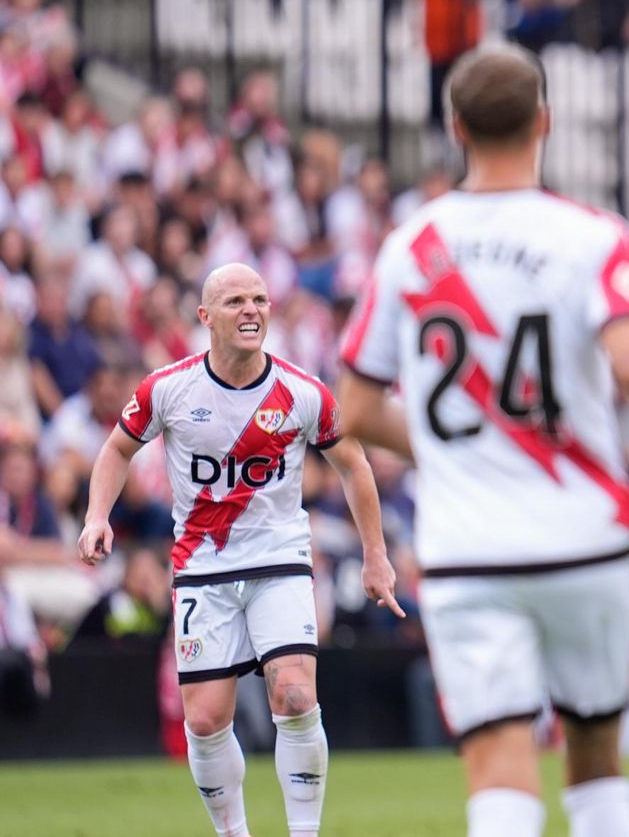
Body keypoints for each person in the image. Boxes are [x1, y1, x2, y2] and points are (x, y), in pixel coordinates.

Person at [336, 45, 629, 837]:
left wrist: (452, 448)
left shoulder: (410, 245)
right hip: (583, 537)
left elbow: (354, 408)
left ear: (456, 128)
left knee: (497, 767)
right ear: (545, 123)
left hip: (466, 549)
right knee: (595, 757)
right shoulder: (590, 234)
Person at [77, 262, 402, 837]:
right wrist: (96, 516)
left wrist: (375, 555)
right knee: (205, 720)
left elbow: (354, 466)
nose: (251, 309)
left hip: (280, 562)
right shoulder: (168, 388)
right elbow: (116, 450)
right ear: (205, 316)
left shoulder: (302, 391)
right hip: (202, 567)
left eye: (259, 299)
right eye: (235, 301)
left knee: (295, 695)